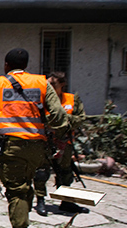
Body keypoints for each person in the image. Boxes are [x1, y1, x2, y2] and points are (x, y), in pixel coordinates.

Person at [0, 48, 70, 228]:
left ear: (6, 65)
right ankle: (23, 224)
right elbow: (59, 116)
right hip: (37, 147)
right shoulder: (42, 83)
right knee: (27, 186)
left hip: (11, 147)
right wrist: (59, 135)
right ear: (26, 65)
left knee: (16, 189)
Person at [33, 71, 88, 215]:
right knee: (41, 172)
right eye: (48, 84)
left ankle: (66, 202)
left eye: (53, 84)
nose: (49, 87)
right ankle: (40, 200)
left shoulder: (71, 99)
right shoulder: (41, 100)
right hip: (45, 142)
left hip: (65, 142)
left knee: (66, 173)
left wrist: (64, 121)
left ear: (62, 85)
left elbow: (80, 118)